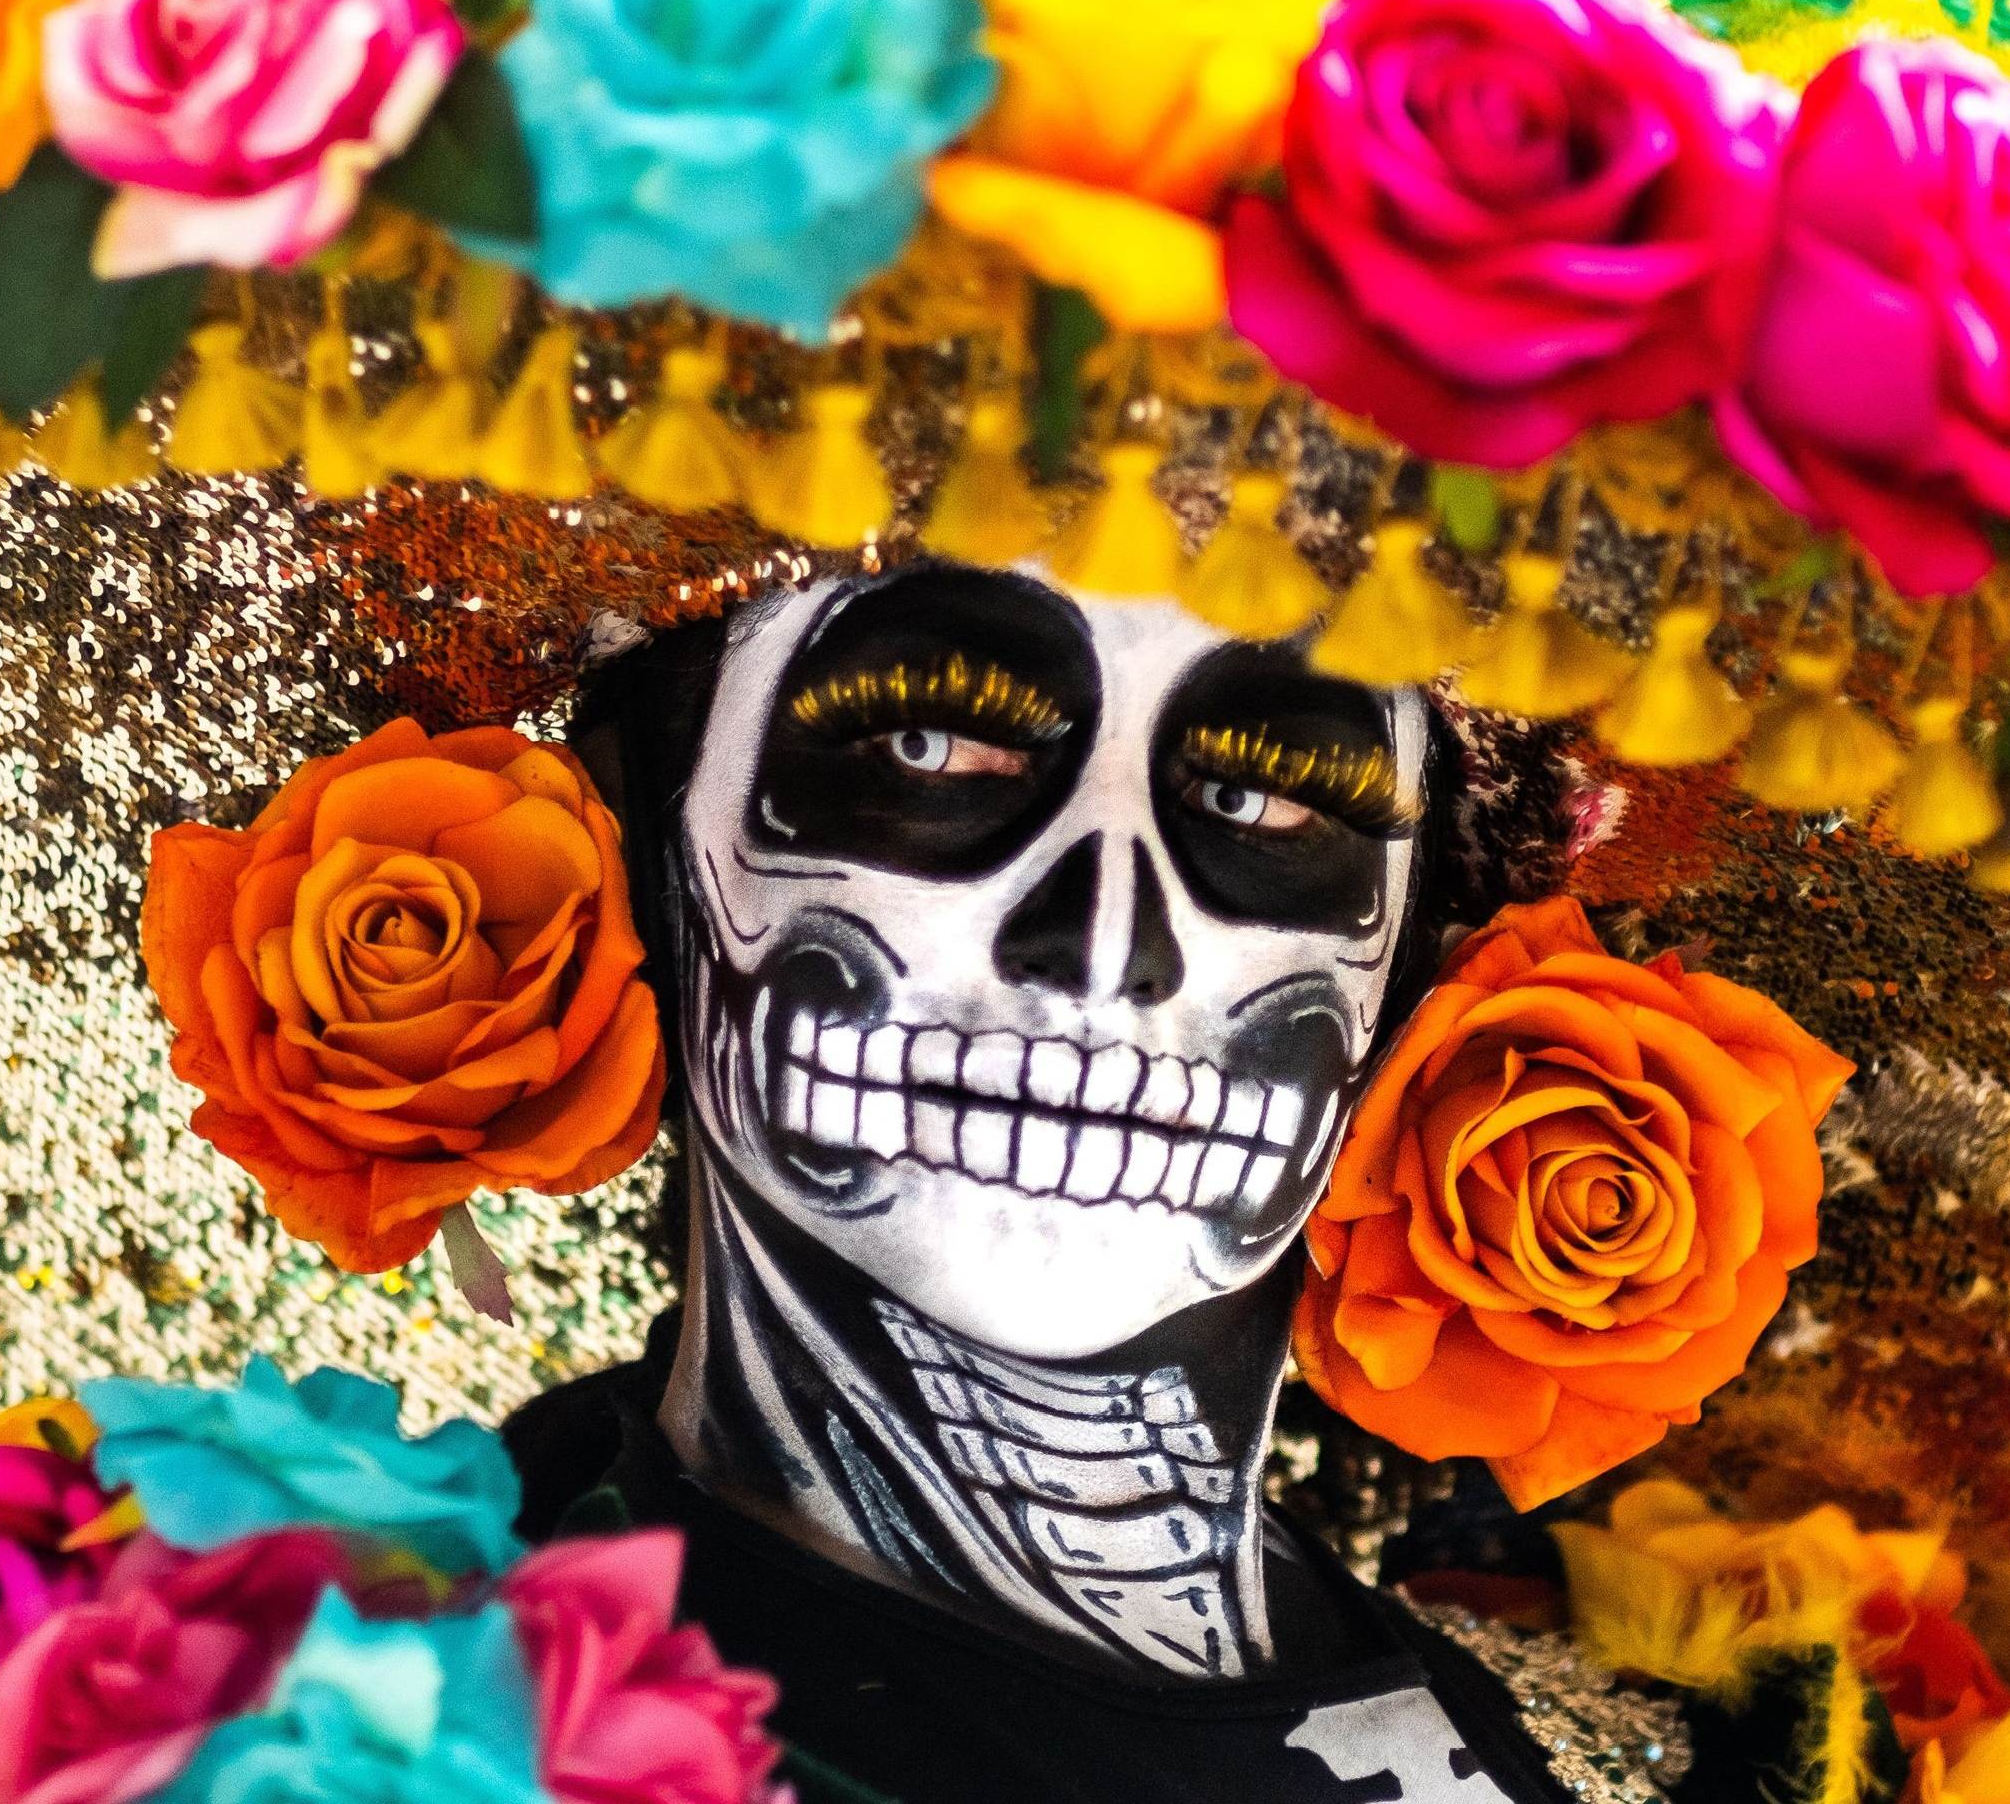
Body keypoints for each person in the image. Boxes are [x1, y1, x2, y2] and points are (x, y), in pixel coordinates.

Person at [505, 560, 1608, 1803]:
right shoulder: (413, 1714)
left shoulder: (1626, 1751)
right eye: (926, 747)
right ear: (642, 846)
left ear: (1419, 968)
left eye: (1258, 797)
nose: (1101, 943)